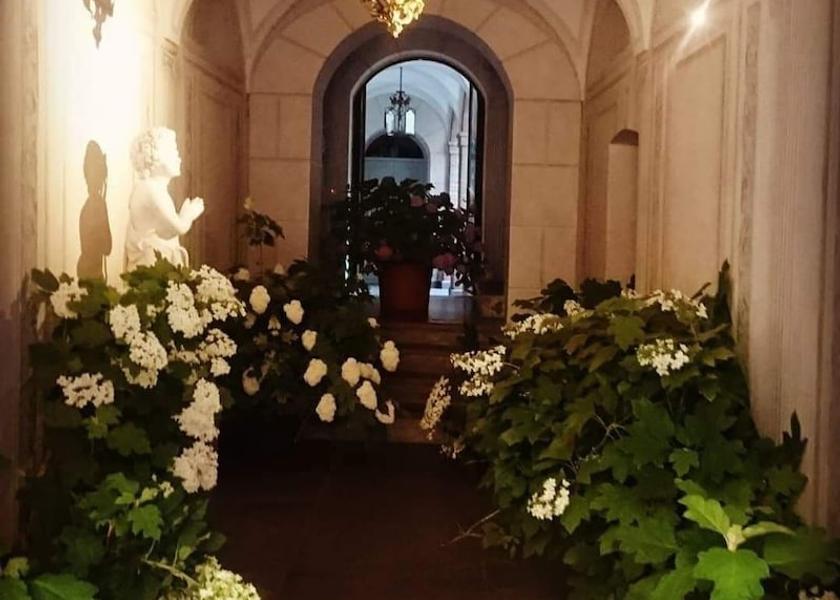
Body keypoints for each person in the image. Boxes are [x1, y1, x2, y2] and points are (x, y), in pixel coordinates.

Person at [125, 127, 204, 270]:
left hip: (159, 266)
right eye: (173, 152)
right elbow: (178, 227)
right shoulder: (149, 189)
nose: (179, 158)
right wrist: (189, 214)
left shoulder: (156, 189)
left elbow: (166, 231)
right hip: (150, 270)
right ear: (156, 156)